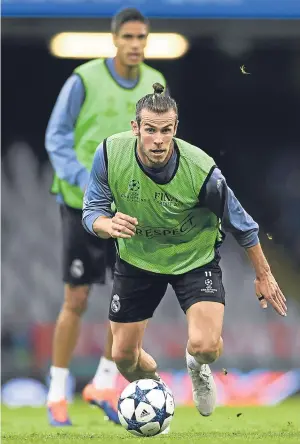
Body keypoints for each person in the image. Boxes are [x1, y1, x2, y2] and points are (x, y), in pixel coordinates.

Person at [82, 83, 287, 418]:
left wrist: (263, 274)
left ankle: (197, 365)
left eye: (166, 130)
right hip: (138, 258)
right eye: (150, 130)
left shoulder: (201, 172)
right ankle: (158, 396)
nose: (158, 140)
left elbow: (243, 224)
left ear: (175, 128)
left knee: (206, 347)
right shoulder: (109, 154)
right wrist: (106, 225)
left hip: (194, 258)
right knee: (123, 357)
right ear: (136, 128)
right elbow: (92, 210)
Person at [45, 8, 167, 426]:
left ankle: (101, 382)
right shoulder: (84, 79)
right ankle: (57, 392)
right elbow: (56, 135)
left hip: (127, 208)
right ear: (114, 39)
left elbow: (158, 143)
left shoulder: (155, 84)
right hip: (81, 203)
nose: (135, 44)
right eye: (128, 36)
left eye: (141, 37)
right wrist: (84, 179)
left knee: (127, 301)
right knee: (76, 298)